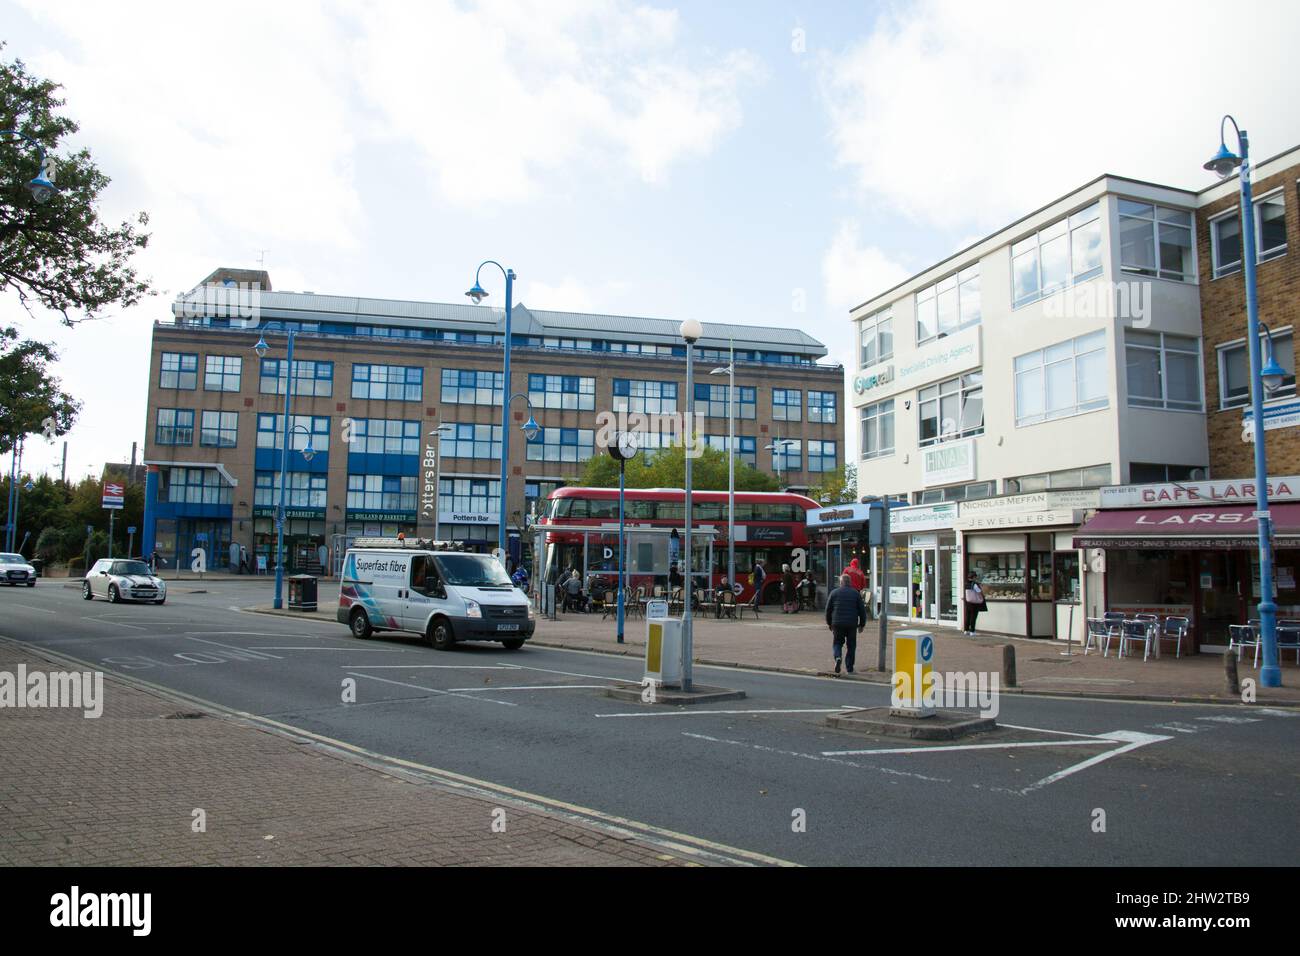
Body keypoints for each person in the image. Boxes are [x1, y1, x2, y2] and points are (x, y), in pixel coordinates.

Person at [825, 573, 867, 675]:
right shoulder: (855, 594)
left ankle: (838, 657)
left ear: (841, 583)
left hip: (837, 623)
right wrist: (862, 624)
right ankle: (850, 668)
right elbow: (862, 610)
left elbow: (828, 610)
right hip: (851, 624)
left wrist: (829, 623)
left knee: (837, 643)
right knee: (851, 646)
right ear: (850, 583)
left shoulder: (834, 593)